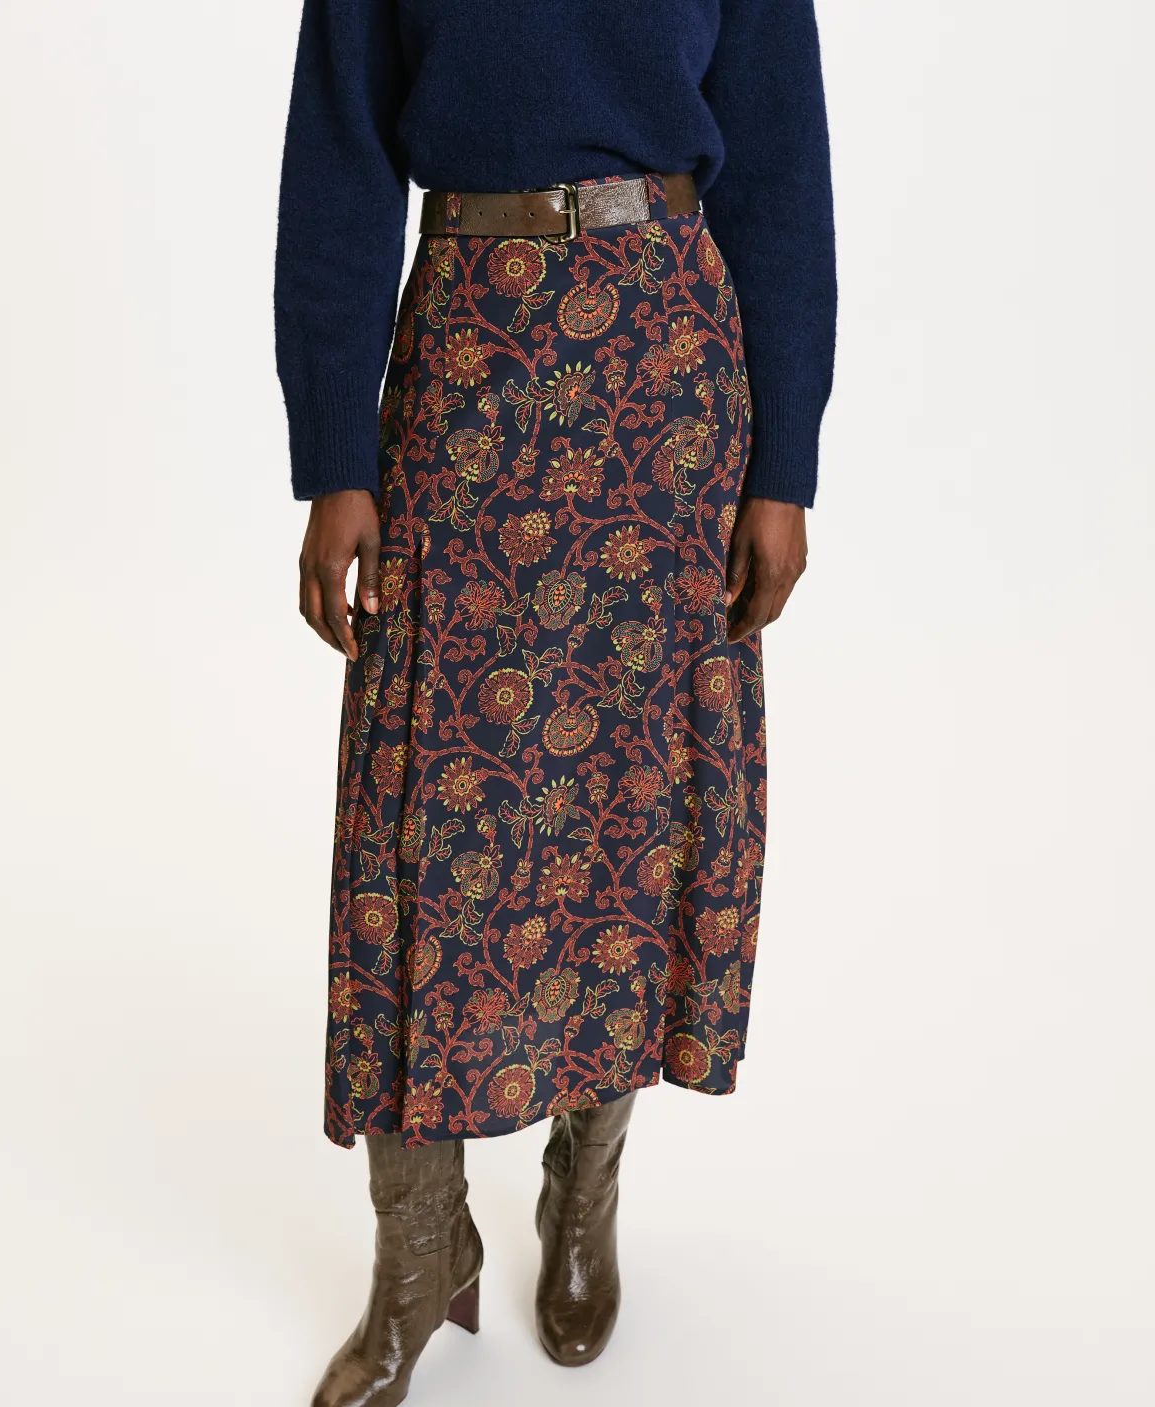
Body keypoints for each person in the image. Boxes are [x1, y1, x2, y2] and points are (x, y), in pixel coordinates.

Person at [274, 2, 835, 1402]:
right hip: (464, 373)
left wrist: (785, 467)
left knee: (630, 811)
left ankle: (586, 1184)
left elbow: (780, 171)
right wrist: (334, 454)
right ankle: (417, 1254)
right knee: (419, 825)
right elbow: (339, 159)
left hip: (668, 392)